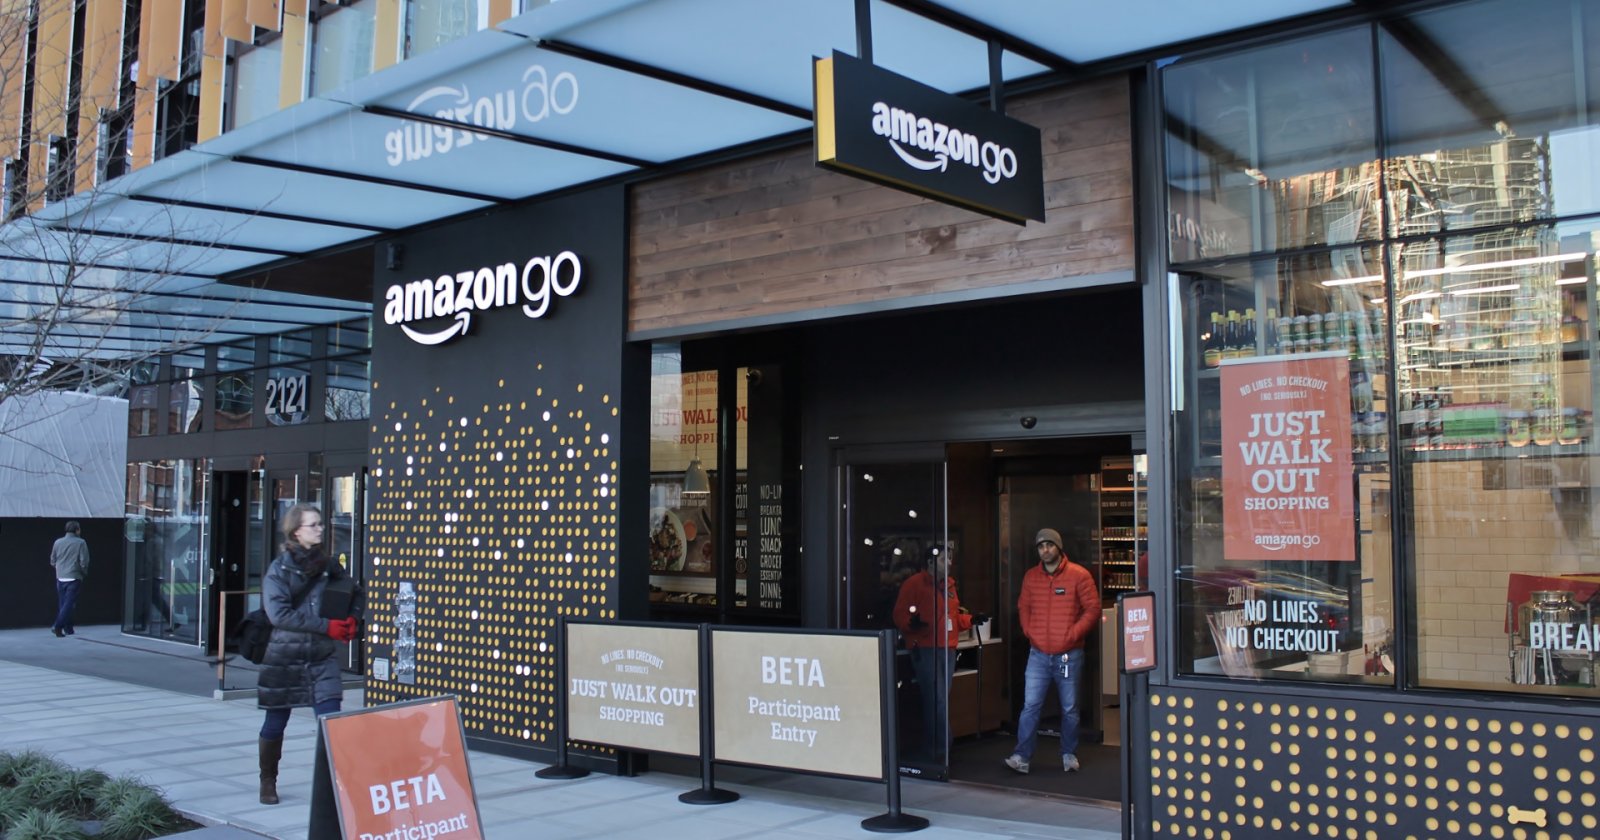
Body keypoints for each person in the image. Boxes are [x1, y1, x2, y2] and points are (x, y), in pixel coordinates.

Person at [256, 504, 360, 805]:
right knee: (275, 724)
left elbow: (356, 591)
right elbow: (279, 615)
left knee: (331, 722)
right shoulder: (279, 569)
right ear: (296, 531)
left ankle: (337, 785)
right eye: (312, 525)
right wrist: (327, 626)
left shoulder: (328, 565)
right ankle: (267, 780)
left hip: (321, 658)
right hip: (284, 657)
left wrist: (353, 617)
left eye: (319, 524)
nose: (319, 529)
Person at [1005, 527, 1099, 774]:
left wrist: (1073, 634)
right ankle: (1021, 756)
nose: (1045, 550)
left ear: (1059, 547)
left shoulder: (1079, 575)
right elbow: (1023, 606)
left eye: (1049, 545)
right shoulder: (1030, 577)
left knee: (1069, 708)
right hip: (1038, 652)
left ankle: (1068, 753)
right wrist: (1029, 631)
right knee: (1030, 706)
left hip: (1069, 653)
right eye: (1040, 546)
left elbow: (1092, 609)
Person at [893, 545, 984, 760]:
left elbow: (951, 618)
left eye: (950, 558)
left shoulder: (950, 587)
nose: (949, 563)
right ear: (931, 562)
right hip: (926, 648)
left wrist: (970, 620)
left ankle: (934, 747)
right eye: (944, 559)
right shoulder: (914, 584)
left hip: (947, 648)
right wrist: (912, 624)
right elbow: (899, 615)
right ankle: (941, 748)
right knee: (937, 699)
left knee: (939, 698)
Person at [49, 521, 91, 637]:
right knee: (69, 604)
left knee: (63, 603)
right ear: (77, 530)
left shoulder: (58, 542)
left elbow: (52, 559)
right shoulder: (81, 542)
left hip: (60, 576)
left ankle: (68, 628)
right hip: (74, 576)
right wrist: (83, 572)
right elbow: (84, 561)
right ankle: (57, 625)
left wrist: (59, 568)